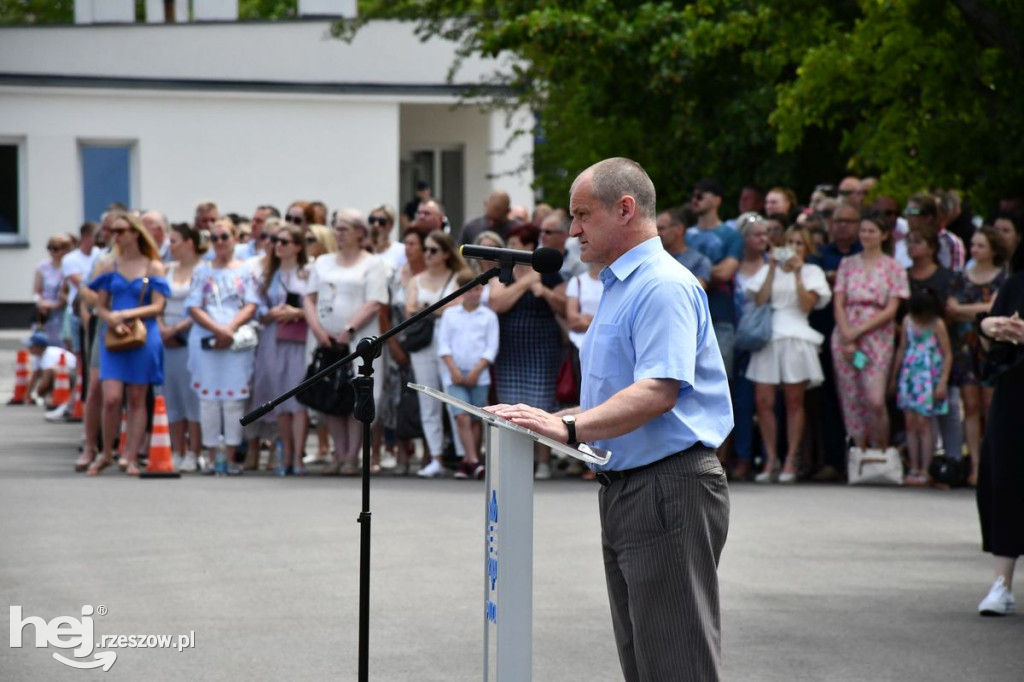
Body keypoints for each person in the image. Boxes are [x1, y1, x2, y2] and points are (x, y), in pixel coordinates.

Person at [489, 158, 732, 681]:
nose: (571, 229)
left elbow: (658, 392)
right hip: (633, 487)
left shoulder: (662, 285)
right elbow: (621, 396)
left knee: (675, 664)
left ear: (624, 209)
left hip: (667, 485)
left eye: (581, 215)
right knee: (646, 662)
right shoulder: (621, 285)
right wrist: (545, 417)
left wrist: (571, 429)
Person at [84, 212, 169, 476]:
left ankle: (131, 456)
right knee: (111, 398)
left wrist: (127, 315)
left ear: (135, 233)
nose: (116, 236)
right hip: (114, 334)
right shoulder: (110, 265)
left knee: (137, 398)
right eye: (114, 232)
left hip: (143, 334)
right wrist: (111, 319)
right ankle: (106, 452)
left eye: (121, 231)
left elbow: (157, 305)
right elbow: (100, 304)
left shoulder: (153, 266)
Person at [304, 209, 389, 475]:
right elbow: (309, 298)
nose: (338, 233)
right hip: (325, 341)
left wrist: (349, 329)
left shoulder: (372, 263)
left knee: (355, 395)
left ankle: (353, 456)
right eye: (336, 228)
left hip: (356, 342)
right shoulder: (323, 262)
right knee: (330, 394)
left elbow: (374, 302)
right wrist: (318, 330)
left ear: (360, 232)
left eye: (344, 228)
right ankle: (338, 453)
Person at [745, 226, 832, 484]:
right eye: (790, 242)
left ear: (806, 248)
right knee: (763, 401)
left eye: (799, 243)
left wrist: (797, 275)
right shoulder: (766, 268)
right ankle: (771, 458)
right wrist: (772, 269)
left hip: (797, 334)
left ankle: (792, 458)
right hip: (769, 335)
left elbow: (808, 305)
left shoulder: (812, 272)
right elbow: (760, 300)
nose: (793, 248)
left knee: (795, 401)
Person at [488, 222, 567, 480]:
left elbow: (564, 304)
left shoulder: (548, 271)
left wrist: (541, 288)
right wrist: (524, 283)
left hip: (541, 347)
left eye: (515, 244)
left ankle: (543, 460)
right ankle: (515, 460)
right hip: (510, 349)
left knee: (541, 402)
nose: (510, 248)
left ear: (529, 246)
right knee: (511, 403)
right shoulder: (504, 271)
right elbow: (497, 303)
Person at [185, 217, 260, 474]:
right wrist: (217, 329)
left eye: (224, 237)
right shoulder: (202, 270)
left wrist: (229, 329)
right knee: (208, 401)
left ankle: (230, 457)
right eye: (214, 238)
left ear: (235, 239)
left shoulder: (246, 270)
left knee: (233, 401)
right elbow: (193, 305)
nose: (219, 243)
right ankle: (211, 454)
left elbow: (252, 304)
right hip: (207, 338)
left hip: (236, 340)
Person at [974, 241, 1024, 616]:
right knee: (1004, 480)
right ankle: (1001, 584)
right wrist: (989, 327)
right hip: (1016, 392)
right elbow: (990, 351)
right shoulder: (1016, 283)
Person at [831, 212, 909, 452]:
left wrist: (859, 331)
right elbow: (839, 300)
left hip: (877, 334)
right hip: (846, 331)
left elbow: (892, 308)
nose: (866, 235)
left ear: (883, 235)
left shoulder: (893, 267)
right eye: (863, 230)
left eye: (871, 231)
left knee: (874, 398)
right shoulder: (848, 263)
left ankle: (881, 449)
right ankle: (859, 450)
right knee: (851, 396)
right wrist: (847, 333)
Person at [403, 229, 469, 478]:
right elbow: (410, 310)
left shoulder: (457, 277)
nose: (428, 254)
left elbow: (459, 306)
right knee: (427, 401)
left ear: (445, 253)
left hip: (452, 347)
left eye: (433, 250)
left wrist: (427, 308)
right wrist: (435, 309)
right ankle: (436, 456)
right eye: (426, 249)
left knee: (454, 399)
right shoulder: (416, 280)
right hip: (424, 345)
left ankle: (465, 456)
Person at [946, 226, 1008, 485]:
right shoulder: (960, 277)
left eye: (981, 245)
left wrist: (967, 310)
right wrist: (981, 311)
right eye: (973, 244)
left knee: (989, 405)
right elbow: (951, 310)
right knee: (969, 406)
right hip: (965, 347)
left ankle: (995, 463)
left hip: (992, 348)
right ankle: (975, 464)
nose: (975, 249)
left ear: (993, 249)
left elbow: (996, 308)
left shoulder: (1003, 278)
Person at [250, 222, 310, 475]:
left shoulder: (307, 272)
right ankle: (285, 453)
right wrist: (270, 313)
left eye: (284, 242)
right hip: (273, 337)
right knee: (279, 399)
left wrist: (296, 312)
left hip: (299, 337)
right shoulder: (268, 274)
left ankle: (298, 456)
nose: (278, 246)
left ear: (297, 246)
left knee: (298, 398)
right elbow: (256, 306)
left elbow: (316, 304)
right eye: (276, 241)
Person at [437, 269, 499, 480]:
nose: (475, 294)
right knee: (461, 417)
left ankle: (469, 461)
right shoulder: (450, 314)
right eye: (471, 289)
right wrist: (453, 370)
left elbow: (491, 347)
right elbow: (444, 345)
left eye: (479, 289)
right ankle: (472, 459)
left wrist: (477, 370)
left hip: (478, 375)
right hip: (455, 374)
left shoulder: (489, 316)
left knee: (475, 419)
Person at [889, 287, 953, 486]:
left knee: (924, 423)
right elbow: (901, 349)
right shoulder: (908, 320)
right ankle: (914, 466)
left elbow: (948, 354)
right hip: (910, 373)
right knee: (910, 423)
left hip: (928, 375)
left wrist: (942, 382)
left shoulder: (937, 324)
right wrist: (894, 377)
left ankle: (926, 468)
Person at [159, 224, 205, 473]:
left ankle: (195, 451)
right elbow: (157, 303)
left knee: (192, 397)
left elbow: (202, 304)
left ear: (189, 242)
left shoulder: (203, 270)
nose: (170, 247)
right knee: (171, 395)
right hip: (166, 339)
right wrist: (162, 329)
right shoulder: (166, 269)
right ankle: (177, 450)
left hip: (190, 336)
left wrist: (177, 329)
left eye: (174, 241)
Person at [731, 214, 770, 480]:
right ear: (744, 238)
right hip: (739, 339)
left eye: (766, 234)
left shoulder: (774, 265)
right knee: (742, 402)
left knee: (769, 403)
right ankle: (742, 457)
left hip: (767, 337)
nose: (763, 239)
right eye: (757, 234)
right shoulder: (733, 267)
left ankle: (769, 458)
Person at [656, 206, 711, 288]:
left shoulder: (699, 262)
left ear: (679, 229)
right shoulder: (650, 258)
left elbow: (695, 292)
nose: (657, 233)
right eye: (656, 229)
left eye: (661, 229)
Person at [34, 234, 72, 346]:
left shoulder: (70, 267)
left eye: (55, 248)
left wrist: (59, 304)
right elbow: (36, 291)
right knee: (43, 344)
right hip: (46, 313)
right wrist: (40, 303)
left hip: (64, 313)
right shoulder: (42, 267)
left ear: (65, 250)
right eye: (49, 248)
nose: (52, 251)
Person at [24, 331, 77, 407]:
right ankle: (53, 396)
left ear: (39, 347)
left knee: (52, 372)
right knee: (47, 373)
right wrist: (27, 395)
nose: (29, 349)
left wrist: (38, 394)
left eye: (31, 347)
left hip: (72, 374)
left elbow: (45, 382)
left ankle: (60, 397)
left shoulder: (48, 355)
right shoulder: (38, 356)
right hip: (66, 374)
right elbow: (34, 376)